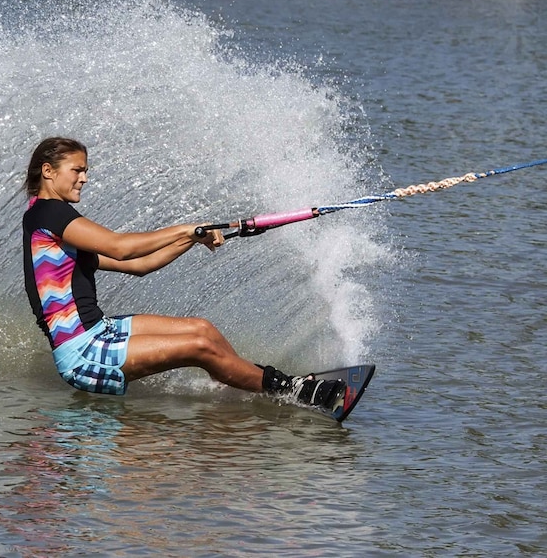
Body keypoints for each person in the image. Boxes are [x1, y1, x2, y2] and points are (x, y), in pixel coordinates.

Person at [21, 137, 345, 409]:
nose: (84, 178)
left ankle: (239, 382)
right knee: (197, 348)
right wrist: (186, 227)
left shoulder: (51, 225)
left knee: (201, 330)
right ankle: (291, 389)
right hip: (83, 352)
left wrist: (191, 238)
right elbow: (122, 248)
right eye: (77, 170)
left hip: (99, 331)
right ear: (48, 171)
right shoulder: (50, 213)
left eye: (85, 171)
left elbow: (138, 266)